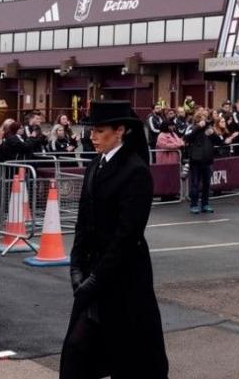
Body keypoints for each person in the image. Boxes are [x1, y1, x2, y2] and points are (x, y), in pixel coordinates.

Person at [61, 100, 169, 379]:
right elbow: (83, 221)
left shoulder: (135, 171)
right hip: (92, 272)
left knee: (131, 354)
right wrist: (76, 265)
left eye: (99, 130)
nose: (92, 137)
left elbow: (128, 234)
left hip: (124, 277)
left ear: (120, 131)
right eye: (90, 131)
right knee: (77, 349)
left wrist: (97, 278)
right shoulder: (95, 165)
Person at [184, 109, 224, 215]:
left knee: (207, 184)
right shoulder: (191, 127)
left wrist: (212, 134)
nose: (205, 118)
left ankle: (205, 204)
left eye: (206, 116)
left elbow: (220, 142)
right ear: (198, 117)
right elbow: (186, 138)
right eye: (203, 116)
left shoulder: (209, 128)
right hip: (195, 161)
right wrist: (198, 127)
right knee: (195, 184)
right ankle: (194, 205)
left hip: (207, 160)